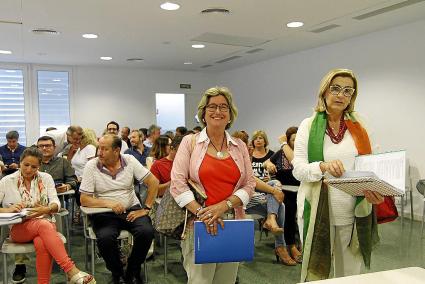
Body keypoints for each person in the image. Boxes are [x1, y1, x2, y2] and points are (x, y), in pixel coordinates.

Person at [292, 69, 383, 281]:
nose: (341, 95)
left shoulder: (360, 126)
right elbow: (298, 169)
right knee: (316, 273)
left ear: (352, 96)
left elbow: (371, 166)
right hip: (316, 210)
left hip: (353, 211)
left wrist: (374, 190)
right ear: (324, 92)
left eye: (348, 91)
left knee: (350, 276)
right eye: (335, 88)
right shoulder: (308, 125)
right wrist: (322, 166)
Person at [170, 86, 255, 284]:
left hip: (232, 222)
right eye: (212, 107)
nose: (218, 111)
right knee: (200, 280)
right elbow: (177, 184)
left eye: (223, 107)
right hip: (199, 223)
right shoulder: (190, 142)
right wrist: (205, 214)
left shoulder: (239, 146)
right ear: (203, 112)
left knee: (227, 280)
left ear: (230, 114)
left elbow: (249, 183)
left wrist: (224, 206)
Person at [0, 148, 95, 284]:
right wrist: (8, 209)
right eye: (26, 165)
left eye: (34, 167)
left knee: (41, 242)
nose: (29, 169)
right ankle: (71, 270)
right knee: (44, 224)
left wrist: (46, 209)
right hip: (19, 229)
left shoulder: (46, 178)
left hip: (45, 227)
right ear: (20, 162)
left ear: (39, 166)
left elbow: (55, 202)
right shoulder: (7, 181)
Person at [80, 134, 159, 284]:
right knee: (105, 239)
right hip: (104, 213)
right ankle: (117, 273)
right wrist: (109, 203)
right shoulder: (92, 165)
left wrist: (146, 208)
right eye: (99, 148)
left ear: (116, 151)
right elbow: (84, 199)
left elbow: (153, 182)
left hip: (131, 209)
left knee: (146, 232)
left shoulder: (129, 160)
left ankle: (132, 270)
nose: (99, 153)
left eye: (104, 149)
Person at [237, 130, 294, 265]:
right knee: (281, 204)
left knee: (276, 189)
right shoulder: (236, 160)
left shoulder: (252, 157)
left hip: (254, 194)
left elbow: (254, 180)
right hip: (240, 198)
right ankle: (281, 246)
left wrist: (272, 186)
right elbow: (250, 182)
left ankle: (271, 219)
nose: (250, 147)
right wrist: (274, 190)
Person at [264, 127, 303, 263]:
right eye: (293, 139)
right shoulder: (281, 153)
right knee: (289, 210)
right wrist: (269, 164)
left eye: (298, 138)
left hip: (300, 190)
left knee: (301, 213)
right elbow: (267, 162)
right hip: (284, 191)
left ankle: (299, 244)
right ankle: (290, 245)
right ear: (288, 140)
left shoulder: (302, 153)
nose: (296, 141)